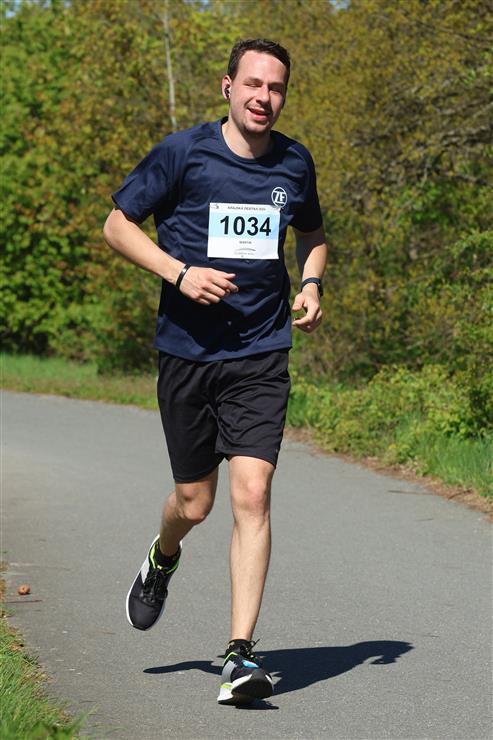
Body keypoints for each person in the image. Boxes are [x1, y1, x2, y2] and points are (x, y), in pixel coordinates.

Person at [103, 38, 327, 705]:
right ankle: (162, 555)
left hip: (260, 352)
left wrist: (311, 283)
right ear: (228, 86)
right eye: (253, 84)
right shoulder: (184, 153)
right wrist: (180, 273)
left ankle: (239, 655)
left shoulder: (294, 162)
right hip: (187, 354)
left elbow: (311, 234)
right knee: (194, 504)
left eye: (276, 88)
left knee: (252, 495)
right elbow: (117, 226)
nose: (264, 97)